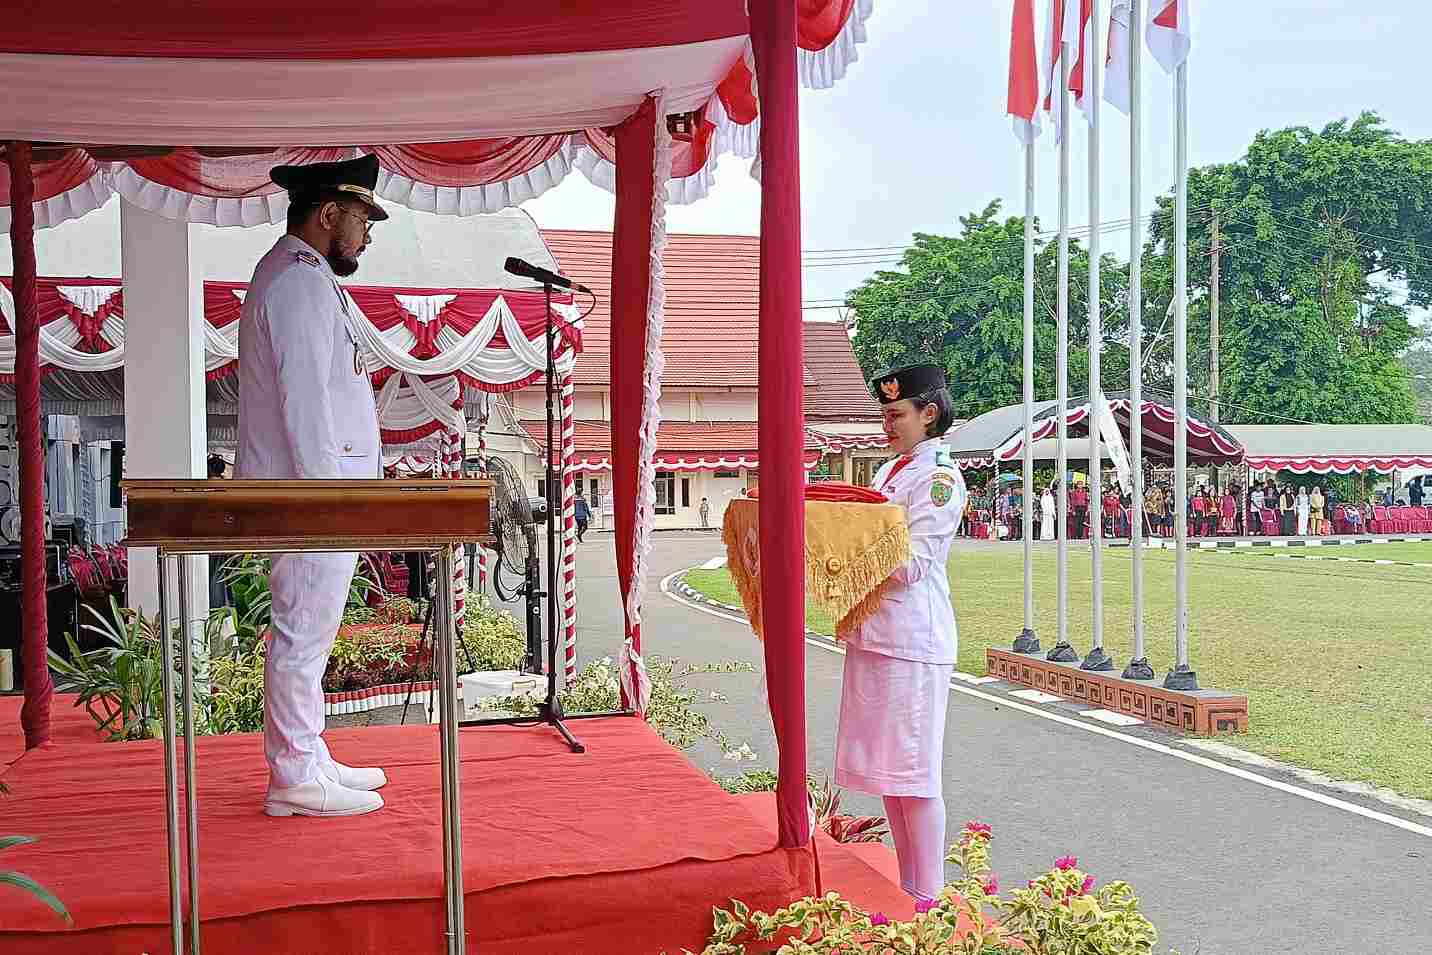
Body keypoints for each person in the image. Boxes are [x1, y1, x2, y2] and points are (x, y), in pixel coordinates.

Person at [235, 155, 389, 819]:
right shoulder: (296, 283)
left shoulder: (305, 277)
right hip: (309, 495)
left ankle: (308, 751)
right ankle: (294, 772)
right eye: (360, 219)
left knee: (312, 629)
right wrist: (331, 498)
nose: (366, 235)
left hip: (314, 493)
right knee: (302, 629)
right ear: (328, 214)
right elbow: (307, 407)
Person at [836, 362, 964, 906]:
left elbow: (914, 564)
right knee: (893, 773)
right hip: (878, 633)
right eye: (884, 415)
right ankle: (907, 885)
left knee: (915, 772)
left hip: (914, 640)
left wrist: (840, 549)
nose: (886, 425)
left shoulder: (939, 480)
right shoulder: (891, 473)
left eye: (896, 414)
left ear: (928, 414)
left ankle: (929, 896)